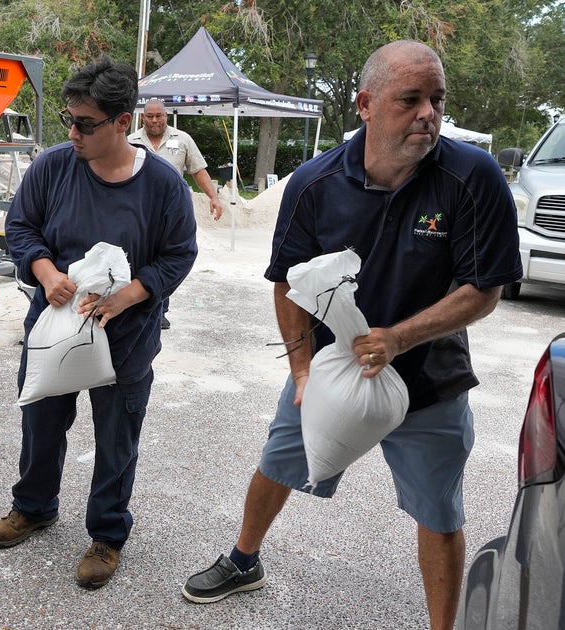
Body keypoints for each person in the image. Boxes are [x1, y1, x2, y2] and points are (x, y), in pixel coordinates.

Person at [179, 41, 522, 630]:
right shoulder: (314, 184)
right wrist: (303, 371)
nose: (428, 115)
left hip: (428, 380)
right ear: (364, 104)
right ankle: (244, 559)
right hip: (330, 366)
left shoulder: (473, 177)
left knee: (440, 510)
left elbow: (483, 289)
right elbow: (287, 286)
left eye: (436, 100)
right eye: (410, 100)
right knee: (278, 460)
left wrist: (399, 339)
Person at [0, 55, 198, 589]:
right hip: (54, 329)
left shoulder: (163, 186)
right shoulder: (53, 167)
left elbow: (179, 254)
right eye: (69, 119)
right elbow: (20, 227)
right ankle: (34, 507)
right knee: (40, 422)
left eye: (85, 123)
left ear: (122, 122)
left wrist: (130, 294)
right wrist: (43, 270)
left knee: (116, 437)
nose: (73, 132)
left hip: (125, 338)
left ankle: (106, 535)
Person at [129, 98, 222, 331]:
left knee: (166, 259)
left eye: (158, 116)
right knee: (140, 257)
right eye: (149, 116)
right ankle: (139, 303)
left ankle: (160, 309)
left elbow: (198, 170)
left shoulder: (182, 139)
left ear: (166, 116)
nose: (154, 120)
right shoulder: (130, 141)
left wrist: (213, 197)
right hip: (138, 210)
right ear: (143, 117)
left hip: (171, 212)